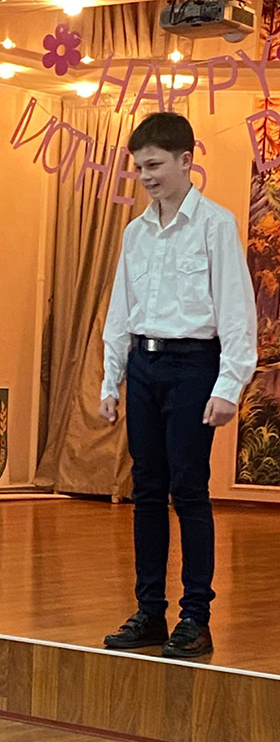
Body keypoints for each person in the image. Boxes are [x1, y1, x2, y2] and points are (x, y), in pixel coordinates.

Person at [100, 112, 256, 658]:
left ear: (186, 161)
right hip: (143, 366)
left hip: (194, 366)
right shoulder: (135, 233)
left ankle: (195, 617)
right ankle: (149, 611)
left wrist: (229, 385)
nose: (146, 177)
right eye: (140, 168)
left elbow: (237, 311)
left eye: (155, 165)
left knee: (188, 489)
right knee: (146, 490)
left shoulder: (216, 225)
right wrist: (111, 379)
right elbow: (120, 310)